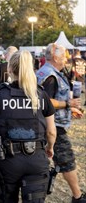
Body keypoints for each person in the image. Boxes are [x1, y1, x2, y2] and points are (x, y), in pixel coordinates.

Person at [0, 50, 56, 203]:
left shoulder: (0, 94)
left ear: (10, 69)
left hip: (8, 161)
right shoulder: (41, 95)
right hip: (37, 159)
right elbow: (51, 131)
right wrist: (49, 149)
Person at [37, 43, 86, 203]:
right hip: (53, 127)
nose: (66, 59)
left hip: (48, 124)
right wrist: (68, 104)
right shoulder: (50, 76)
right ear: (55, 56)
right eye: (64, 55)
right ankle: (78, 197)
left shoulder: (46, 72)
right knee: (67, 161)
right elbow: (46, 101)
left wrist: (69, 110)